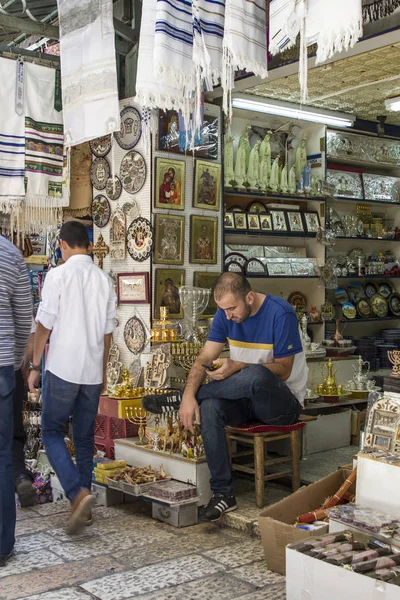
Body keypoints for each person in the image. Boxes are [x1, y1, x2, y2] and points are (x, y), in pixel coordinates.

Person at [143, 273, 308, 522]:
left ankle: (175, 398)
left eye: (232, 308)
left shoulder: (280, 313)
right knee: (209, 407)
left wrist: (238, 365)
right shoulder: (224, 313)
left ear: (249, 297)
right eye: (223, 310)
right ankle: (223, 495)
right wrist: (190, 396)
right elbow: (203, 359)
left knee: (256, 374)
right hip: (247, 400)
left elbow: (283, 371)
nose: (228, 316)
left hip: (284, 403)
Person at [28, 221, 116, 535]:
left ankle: (77, 494)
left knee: (51, 432)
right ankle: (84, 505)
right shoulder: (105, 280)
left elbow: (43, 325)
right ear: (89, 246)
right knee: (83, 438)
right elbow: (108, 335)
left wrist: (35, 364)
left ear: (63, 245)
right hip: (91, 373)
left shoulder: (58, 275)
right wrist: (103, 371)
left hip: (63, 369)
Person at [0, 236, 32, 566]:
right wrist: (18, 363)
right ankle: (1, 544)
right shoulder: (11, 256)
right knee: (2, 453)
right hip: (2, 367)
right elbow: (25, 321)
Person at [13, 321, 37, 508]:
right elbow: (31, 334)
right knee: (13, 435)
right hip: (10, 370)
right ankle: (20, 476)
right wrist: (27, 366)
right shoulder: (15, 289)